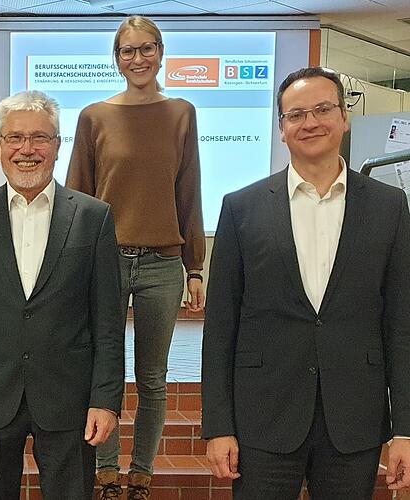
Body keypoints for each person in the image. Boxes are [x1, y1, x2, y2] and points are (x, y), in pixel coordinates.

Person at [202, 66, 410, 499]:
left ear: (344, 117)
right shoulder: (242, 208)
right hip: (263, 417)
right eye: (296, 115)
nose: (310, 122)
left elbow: (401, 322)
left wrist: (405, 429)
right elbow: (221, 325)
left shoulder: (389, 206)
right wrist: (218, 426)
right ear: (281, 129)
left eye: (322, 109)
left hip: (354, 419)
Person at [0, 90, 124, 500]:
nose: (27, 149)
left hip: (69, 397)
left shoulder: (93, 217)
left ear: (56, 146)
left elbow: (108, 320)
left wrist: (106, 399)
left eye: (39, 138)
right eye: (15, 138)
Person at [66, 15, 205, 499]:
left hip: (162, 265)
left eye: (147, 48)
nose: (138, 58)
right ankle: (106, 473)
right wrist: (71, 266)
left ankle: (141, 475)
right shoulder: (93, 117)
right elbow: (78, 196)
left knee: (152, 378)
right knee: (103, 371)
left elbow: (189, 191)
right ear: (117, 58)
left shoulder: (182, 113)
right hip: (104, 262)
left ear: (161, 53)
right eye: (128, 50)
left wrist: (194, 267)